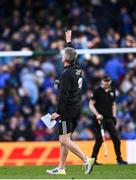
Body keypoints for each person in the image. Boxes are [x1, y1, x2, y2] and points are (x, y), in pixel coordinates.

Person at [46, 30, 95, 175]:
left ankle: (86, 160)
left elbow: (63, 96)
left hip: (68, 109)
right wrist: (69, 41)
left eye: (63, 55)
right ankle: (61, 168)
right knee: (64, 140)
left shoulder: (66, 74)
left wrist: (57, 112)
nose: (62, 57)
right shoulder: (77, 68)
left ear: (65, 59)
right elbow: (73, 55)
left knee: (64, 139)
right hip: (76, 107)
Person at [89, 75, 127, 165]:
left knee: (116, 139)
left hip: (109, 118)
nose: (107, 83)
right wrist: (97, 114)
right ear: (102, 81)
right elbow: (91, 105)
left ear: (110, 81)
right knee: (99, 140)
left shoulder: (112, 91)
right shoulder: (97, 91)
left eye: (108, 81)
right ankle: (93, 160)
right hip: (99, 119)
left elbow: (113, 104)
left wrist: (114, 116)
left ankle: (119, 159)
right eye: (105, 81)